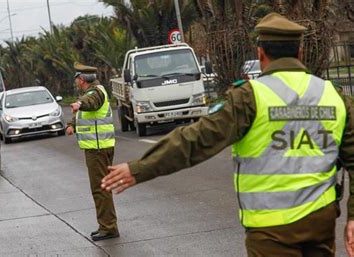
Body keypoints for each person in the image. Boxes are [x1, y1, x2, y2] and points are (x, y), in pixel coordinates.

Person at [101, 12, 354, 256]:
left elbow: (196, 140)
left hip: (271, 229)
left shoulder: (249, 97)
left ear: (261, 53)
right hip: (321, 223)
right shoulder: (334, 96)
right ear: (299, 52)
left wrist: (139, 168)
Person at [66, 62, 119, 241]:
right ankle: (106, 224)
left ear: (82, 80)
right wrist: (72, 125)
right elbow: (85, 114)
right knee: (101, 187)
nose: (76, 82)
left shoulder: (95, 93)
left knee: (101, 188)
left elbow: (90, 104)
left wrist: (79, 104)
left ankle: (108, 227)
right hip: (97, 147)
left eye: (77, 79)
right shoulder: (92, 92)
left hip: (98, 148)